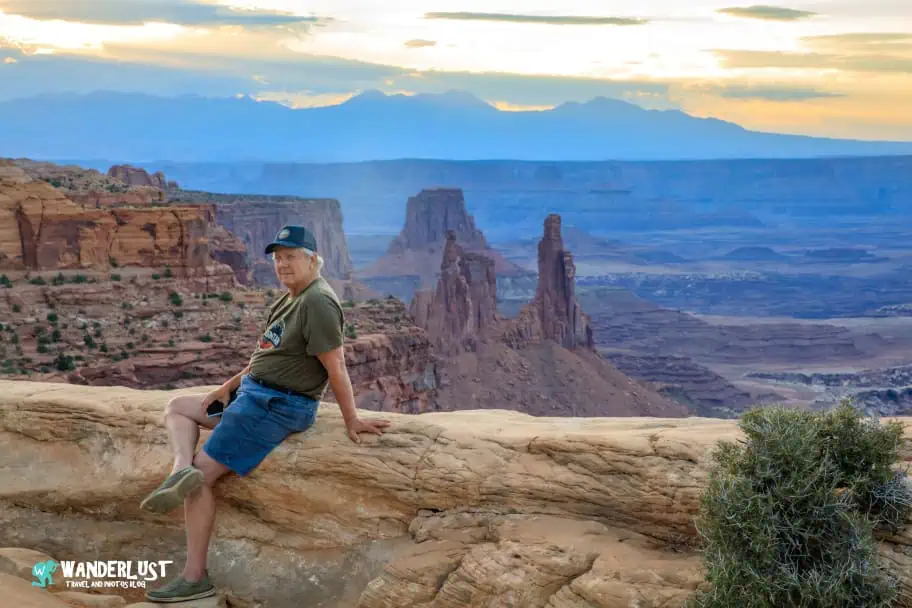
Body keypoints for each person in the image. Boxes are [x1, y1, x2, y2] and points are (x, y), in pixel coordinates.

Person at [139, 224, 391, 603]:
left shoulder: (318, 302)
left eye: (291, 257)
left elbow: (336, 366)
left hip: (276, 406)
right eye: (278, 258)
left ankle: (195, 577)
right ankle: (178, 468)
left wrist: (351, 419)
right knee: (178, 407)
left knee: (200, 479)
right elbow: (267, 354)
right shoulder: (292, 297)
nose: (282, 265)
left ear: (313, 259)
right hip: (253, 393)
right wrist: (229, 385)